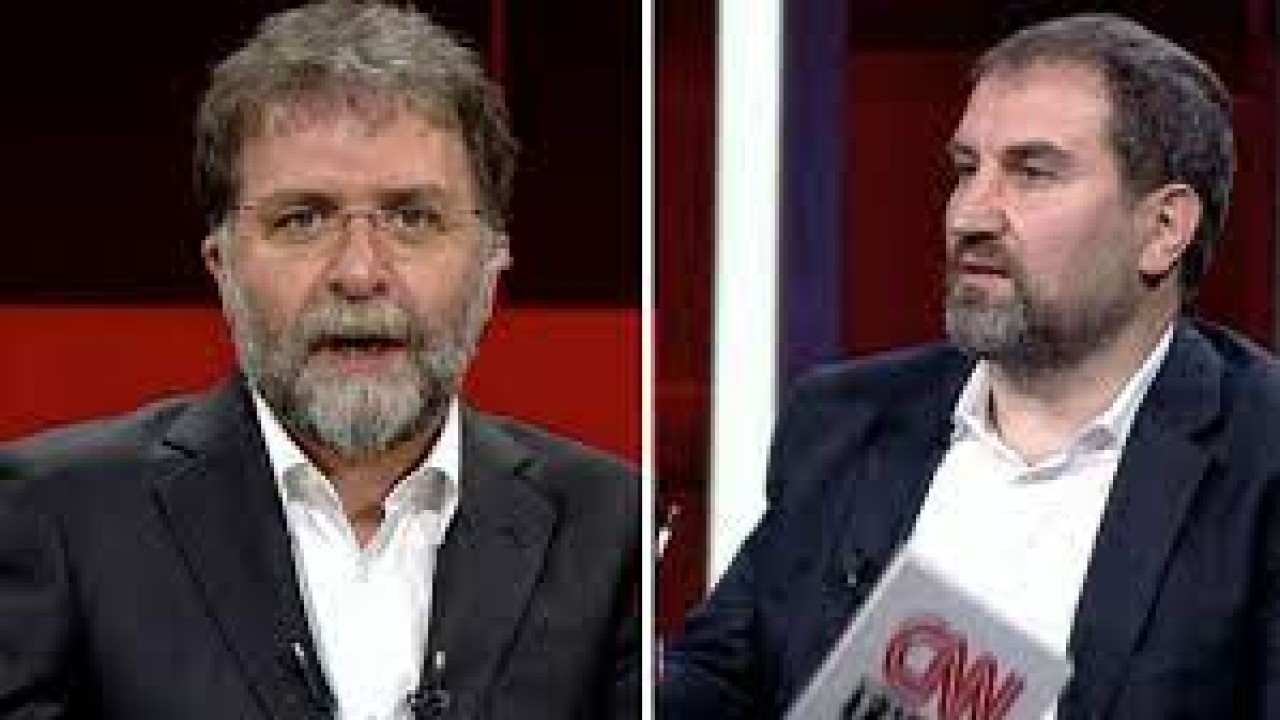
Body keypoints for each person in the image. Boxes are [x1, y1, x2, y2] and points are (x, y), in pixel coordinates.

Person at [0, 3, 638, 719]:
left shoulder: (614, 528)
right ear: (222, 266)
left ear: (491, 265)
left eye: (412, 218)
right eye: (302, 219)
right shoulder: (53, 515)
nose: (359, 273)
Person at [661, 13, 1280, 719]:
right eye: (966, 170)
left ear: (1163, 228)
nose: (970, 216)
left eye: (1032, 173)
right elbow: (718, 682)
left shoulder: (1260, 456)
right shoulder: (844, 422)